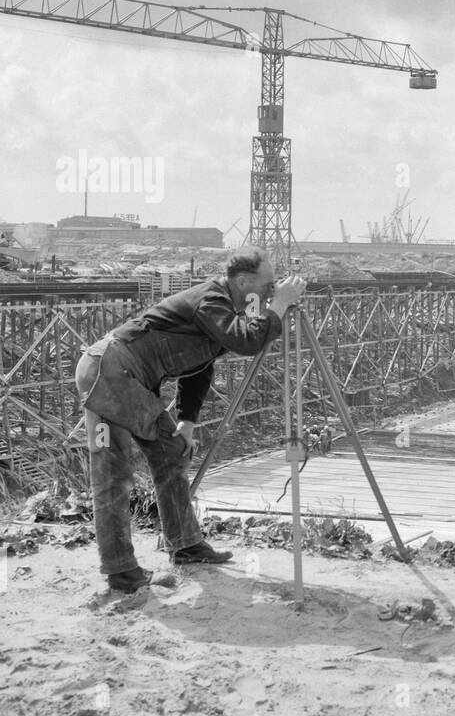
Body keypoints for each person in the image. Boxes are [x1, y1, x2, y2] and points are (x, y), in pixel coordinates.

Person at [75, 247, 306, 592]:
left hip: (118, 375)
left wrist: (186, 421)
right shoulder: (211, 299)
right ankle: (121, 570)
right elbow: (247, 341)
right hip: (109, 373)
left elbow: (199, 367)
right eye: (269, 284)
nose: (272, 290)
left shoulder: (224, 305)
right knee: (112, 471)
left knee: (172, 451)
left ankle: (185, 545)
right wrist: (279, 306)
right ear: (243, 281)